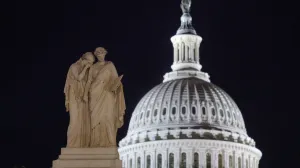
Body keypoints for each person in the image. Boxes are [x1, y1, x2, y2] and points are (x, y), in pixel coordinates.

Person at [84, 47, 125, 147]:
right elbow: (89, 81)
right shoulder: (93, 67)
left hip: (107, 94)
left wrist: (115, 86)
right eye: (98, 53)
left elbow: (116, 79)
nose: (100, 54)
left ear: (105, 54)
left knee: (109, 117)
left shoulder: (110, 65)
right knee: (94, 120)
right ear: (96, 54)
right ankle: (95, 143)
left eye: (102, 53)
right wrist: (85, 94)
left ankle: (110, 142)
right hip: (94, 93)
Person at [64, 52, 95, 147]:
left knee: (83, 121)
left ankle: (82, 144)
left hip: (82, 98)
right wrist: (86, 68)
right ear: (84, 59)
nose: (90, 65)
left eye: (92, 63)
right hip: (74, 96)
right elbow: (78, 78)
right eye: (89, 62)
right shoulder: (74, 66)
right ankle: (72, 144)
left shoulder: (87, 71)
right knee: (75, 120)